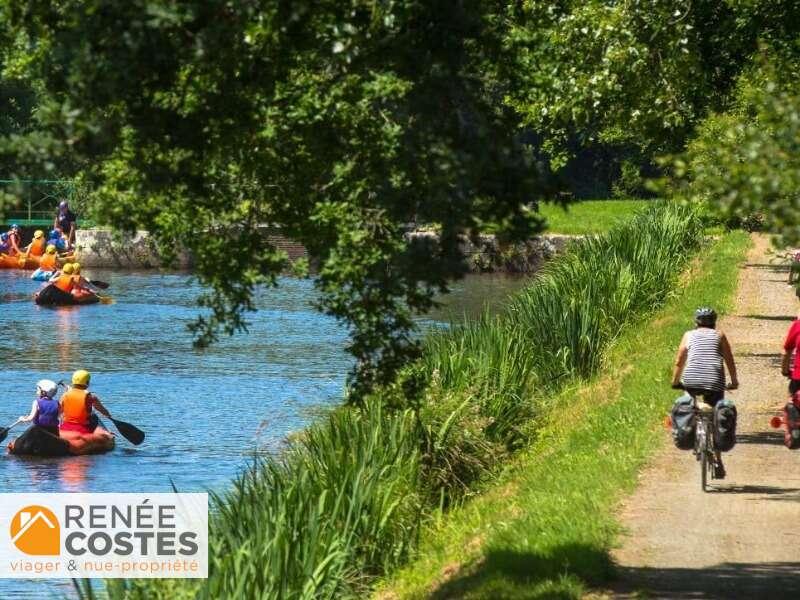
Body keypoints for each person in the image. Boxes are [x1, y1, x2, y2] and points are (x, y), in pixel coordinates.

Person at [671, 307, 739, 478]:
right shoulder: (720, 335)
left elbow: (680, 360)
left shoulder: (688, 335)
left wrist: (675, 381)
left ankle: (690, 431)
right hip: (715, 382)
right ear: (714, 322)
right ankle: (717, 460)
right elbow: (729, 360)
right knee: (716, 414)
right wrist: (734, 381)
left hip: (692, 380)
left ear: (696, 322)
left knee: (689, 405)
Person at [59, 370, 113, 440]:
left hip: (65, 426)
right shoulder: (91, 396)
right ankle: (96, 433)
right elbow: (102, 410)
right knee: (94, 417)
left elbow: (59, 411)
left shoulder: (65, 395)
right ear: (87, 382)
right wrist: (109, 416)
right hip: (83, 428)